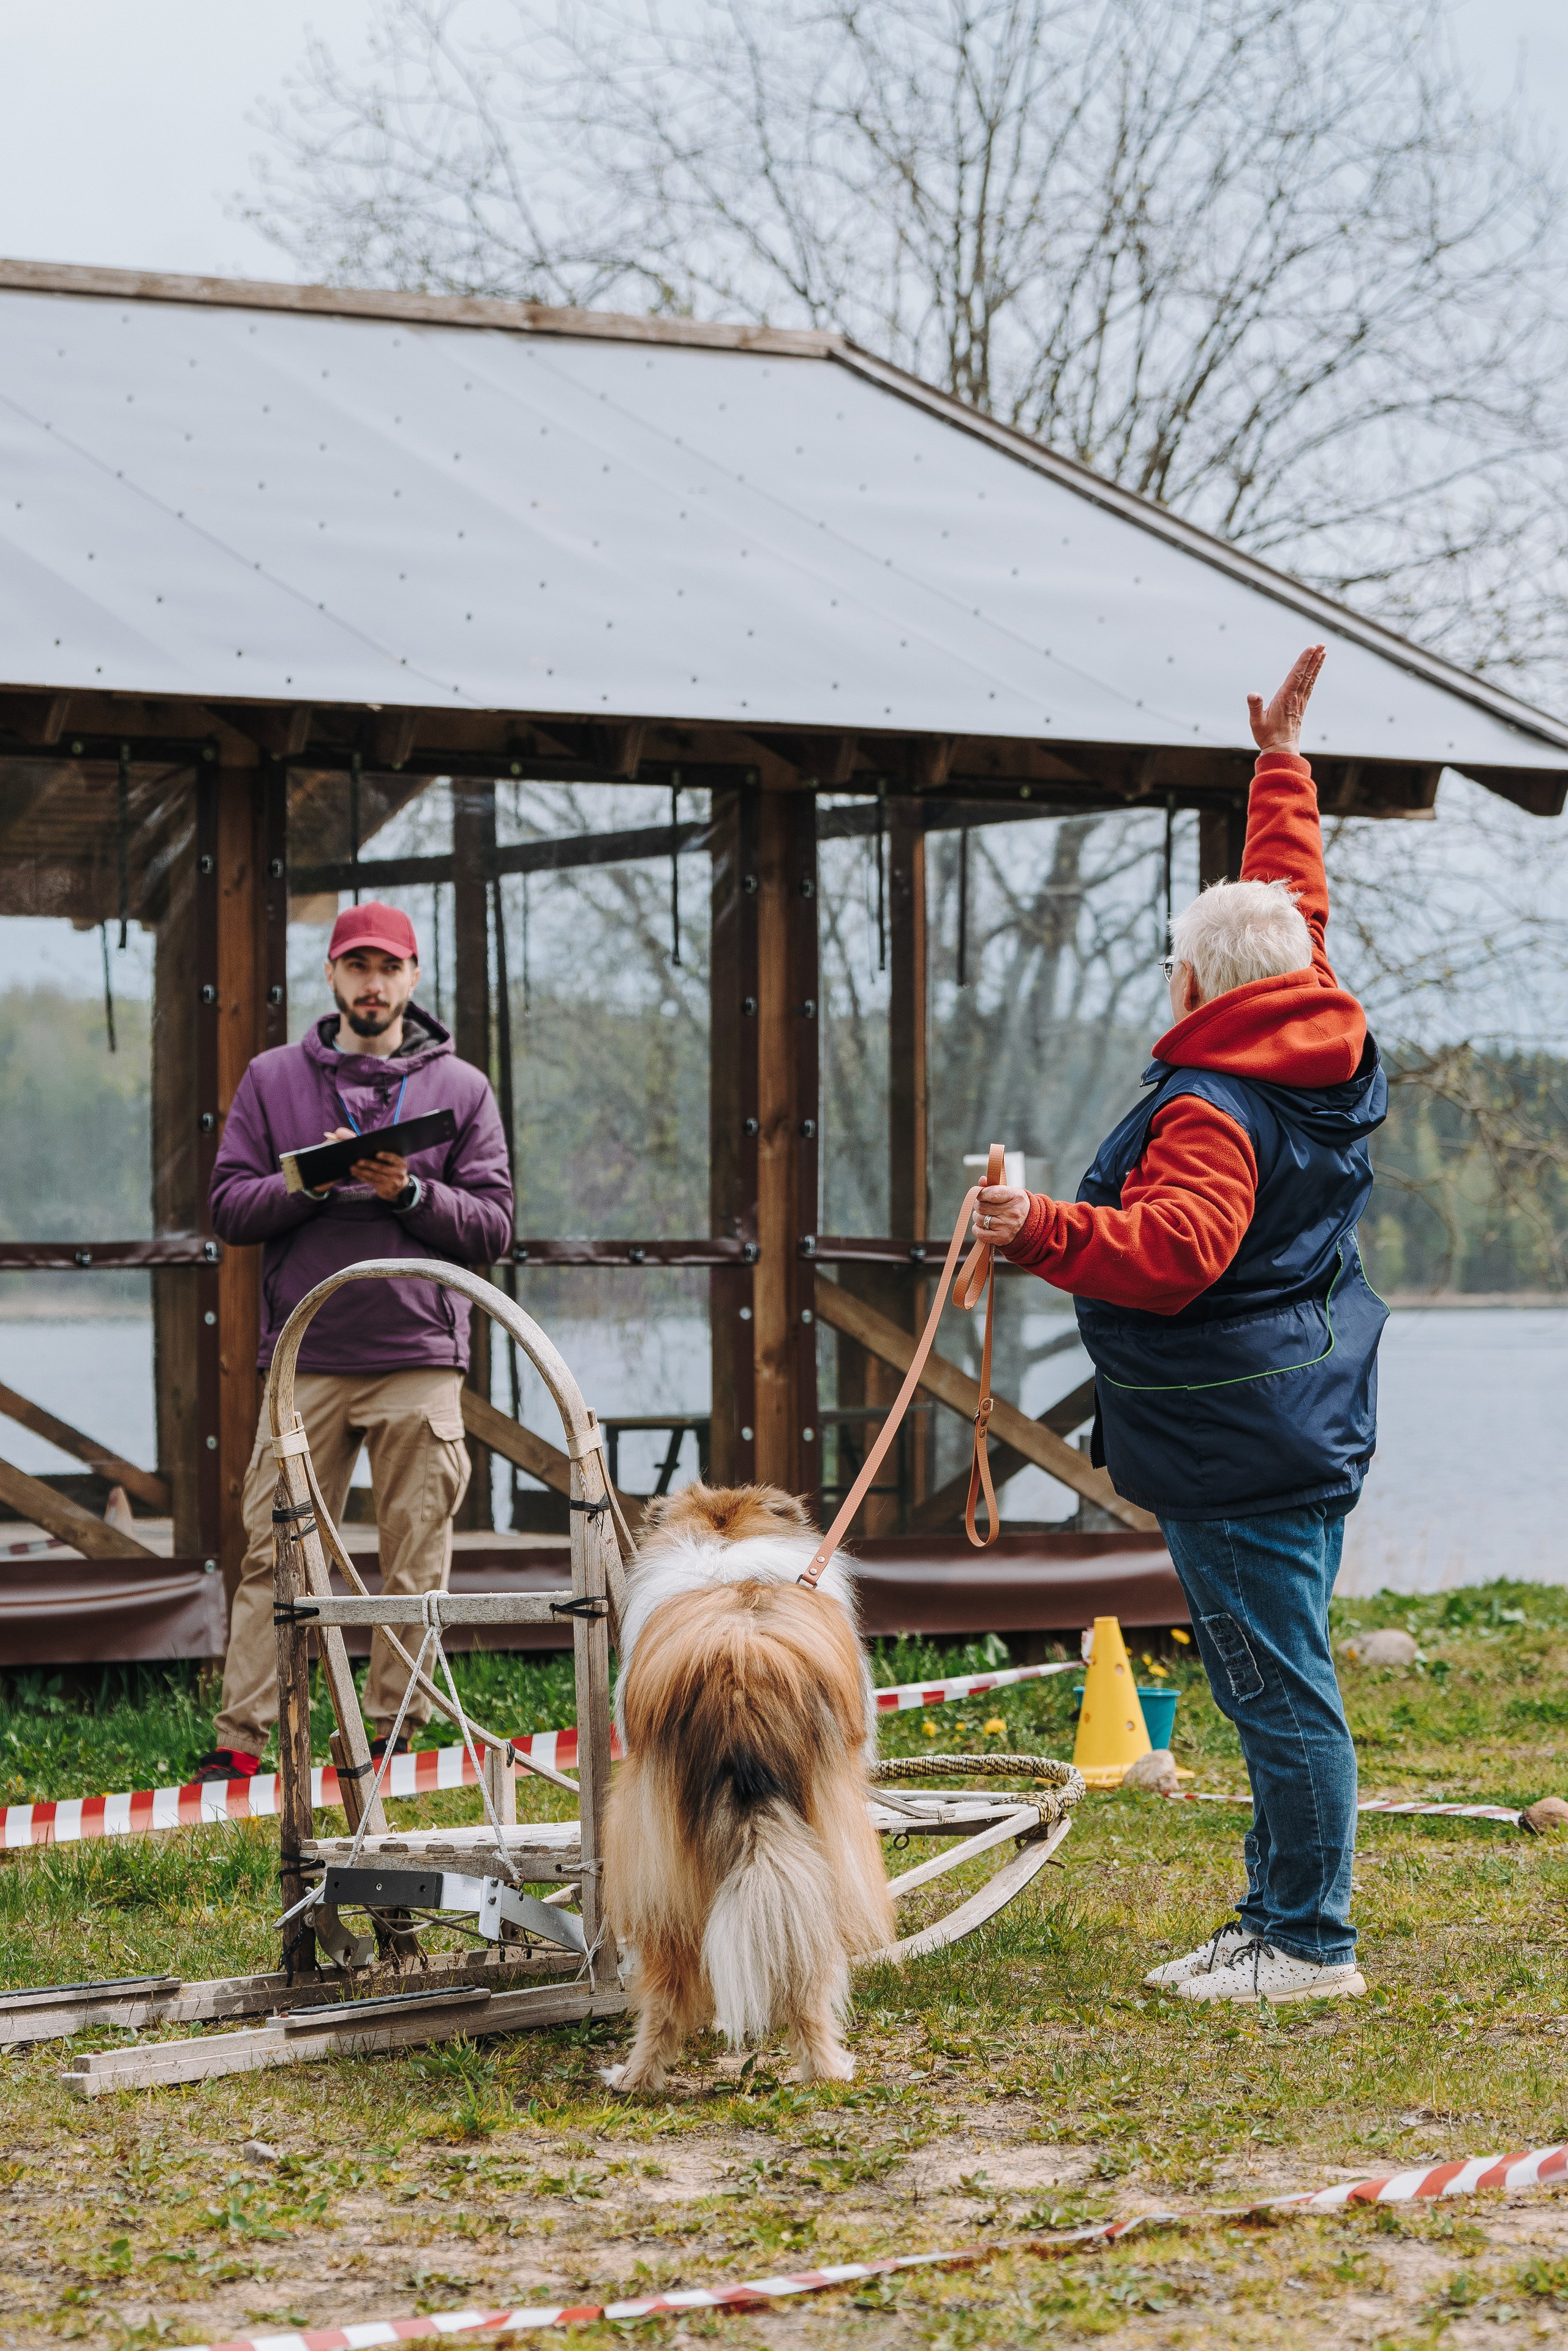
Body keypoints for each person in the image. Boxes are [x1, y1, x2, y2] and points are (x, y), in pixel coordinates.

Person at [977, 646, 1384, 2006]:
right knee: (1283, 1670)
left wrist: (1036, 1228)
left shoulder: (1212, 1103)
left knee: (1276, 1689)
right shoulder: (1308, 1024)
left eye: (1175, 968)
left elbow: (1172, 1251)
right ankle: (1274, 1910)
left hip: (1235, 1431)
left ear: (1201, 987)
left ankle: (1305, 1942)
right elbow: (1294, 906)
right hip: (1300, 1401)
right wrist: (1278, 767)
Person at [193, 901, 513, 1784]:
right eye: (356, 966)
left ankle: (387, 1737)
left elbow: (494, 1226)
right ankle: (244, 1742)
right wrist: (317, 1179)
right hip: (306, 1351)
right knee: (275, 1548)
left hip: (420, 1355)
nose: (373, 984)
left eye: (389, 967)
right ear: (332, 977)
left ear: (413, 978)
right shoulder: (271, 1077)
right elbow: (228, 1207)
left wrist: (409, 1193)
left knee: (416, 1553)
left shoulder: (464, 1088)